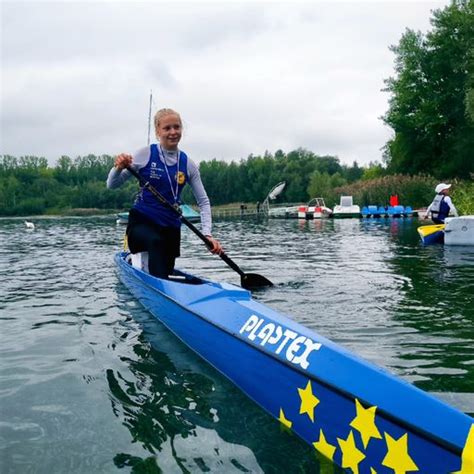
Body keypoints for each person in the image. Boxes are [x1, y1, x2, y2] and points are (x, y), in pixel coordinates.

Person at [107, 108, 222, 278]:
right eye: (167, 128)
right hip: (142, 223)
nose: (173, 132)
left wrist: (207, 234)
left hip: (170, 228)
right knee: (155, 242)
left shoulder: (188, 164)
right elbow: (112, 184)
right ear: (157, 131)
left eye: (177, 127)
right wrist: (118, 167)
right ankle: (147, 272)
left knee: (164, 266)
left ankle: (158, 277)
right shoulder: (145, 154)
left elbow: (203, 202)